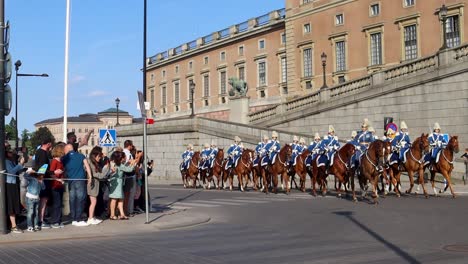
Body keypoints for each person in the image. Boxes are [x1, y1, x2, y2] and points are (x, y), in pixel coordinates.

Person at [62, 143, 92, 227]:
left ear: (67, 149)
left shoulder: (64, 158)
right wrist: (90, 176)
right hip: (80, 180)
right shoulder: (81, 156)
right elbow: (87, 166)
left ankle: (73, 219)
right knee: (80, 199)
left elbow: (63, 169)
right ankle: (78, 218)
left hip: (71, 181)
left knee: (72, 200)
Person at [108, 150, 140, 220]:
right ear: (120, 158)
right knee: (114, 199)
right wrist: (133, 163)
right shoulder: (119, 165)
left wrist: (129, 163)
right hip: (116, 183)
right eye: (123, 157)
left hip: (118, 183)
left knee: (120, 199)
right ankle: (112, 214)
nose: (125, 159)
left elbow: (125, 167)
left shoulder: (117, 164)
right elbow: (129, 170)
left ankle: (122, 214)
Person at [34, 137, 55, 229]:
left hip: (41, 178)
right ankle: (41, 220)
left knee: (42, 200)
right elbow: (43, 168)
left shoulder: (38, 152)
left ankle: (40, 219)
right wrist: (53, 172)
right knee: (43, 200)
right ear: (48, 144)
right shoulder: (43, 153)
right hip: (43, 179)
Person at [87, 146, 110, 225]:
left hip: (95, 185)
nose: (100, 158)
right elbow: (97, 175)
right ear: (95, 155)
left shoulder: (93, 162)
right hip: (92, 185)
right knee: (93, 202)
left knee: (94, 201)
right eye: (99, 156)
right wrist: (106, 169)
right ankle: (90, 218)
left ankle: (92, 217)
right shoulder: (91, 163)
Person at [5, 148, 25, 233]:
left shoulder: (11, 160)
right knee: (11, 205)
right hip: (9, 184)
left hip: (13, 183)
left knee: (14, 204)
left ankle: (12, 224)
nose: (13, 153)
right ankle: (13, 226)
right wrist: (20, 164)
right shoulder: (6, 161)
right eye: (10, 152)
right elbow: (11, 172)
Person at [49, 144, 66, 229]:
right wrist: (58, 178)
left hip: (60, 185)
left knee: (59, 204)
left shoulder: (60, 161)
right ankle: (55, 221)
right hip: (55, 185)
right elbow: (51, 173)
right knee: (56, 204)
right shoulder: (54, 161)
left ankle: (58, 220)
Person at [122, 140, 137, 216]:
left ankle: (126, 210)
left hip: (126, 175)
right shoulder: (127, 154)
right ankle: (128, 210)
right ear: (129, 145)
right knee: (129, 194)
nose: (132, 147)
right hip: (129, 175)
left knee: (126, 194)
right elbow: (127, 164)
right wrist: (134, 162)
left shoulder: (123, 152)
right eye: (131, 145)